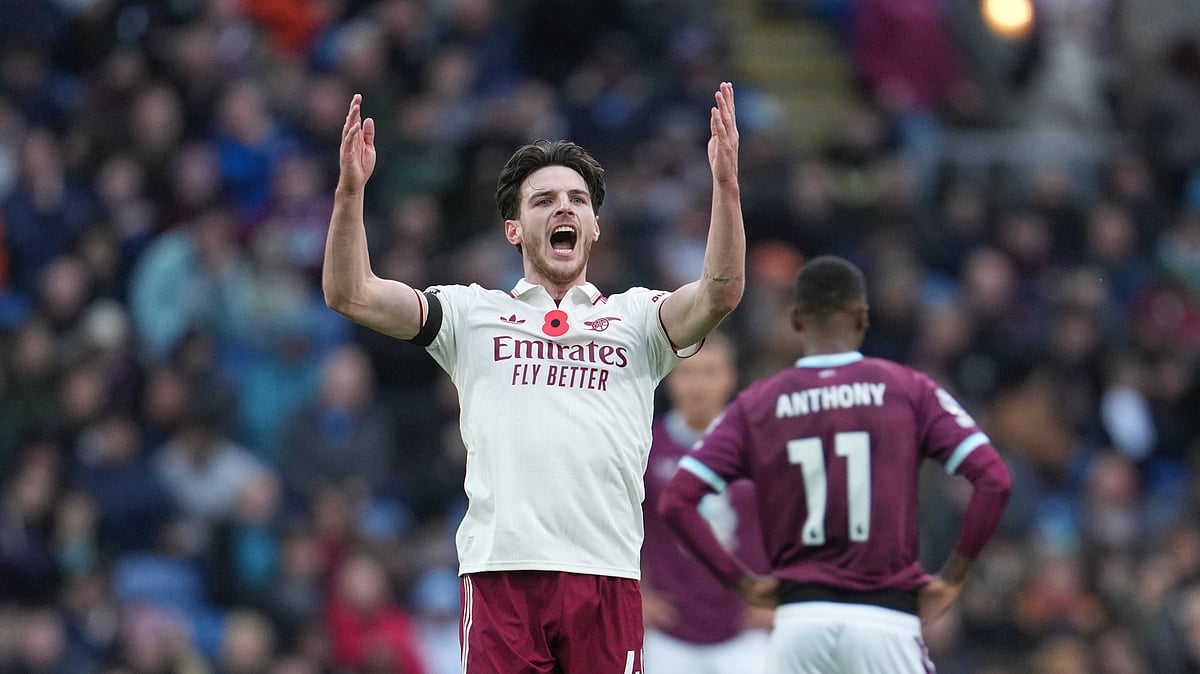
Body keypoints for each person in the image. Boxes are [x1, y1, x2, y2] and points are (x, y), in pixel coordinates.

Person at [323, 82, 745, 673]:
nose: (564, 208)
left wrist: (725, 189)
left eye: (577, 199)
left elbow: (721, 292)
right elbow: (351, 292)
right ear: (514, 229)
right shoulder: (470, 315)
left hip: (608, 577)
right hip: (502, 579)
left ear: (595, 227)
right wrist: (349, 194)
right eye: (543, 200)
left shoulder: (638, 319)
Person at [658, 255, 1012, 673]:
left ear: (796, 320)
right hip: (885, 616)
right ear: (862, 317)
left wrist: (744, 584)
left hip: (798, 620)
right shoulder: (908, 389)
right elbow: (994, 480)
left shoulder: (759, 404)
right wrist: (953, 578)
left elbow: (678, 499)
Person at [640, 331, 772, 673]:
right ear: (670, 379)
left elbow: (796, 524)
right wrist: (636, 592)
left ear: (730, 377)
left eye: (710, 372)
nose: (698, 385)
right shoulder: (644, 447)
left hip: (745, 629)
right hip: (668, 629)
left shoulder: (760, 446)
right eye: (687, 373)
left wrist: (785, 594)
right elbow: (614, 524)